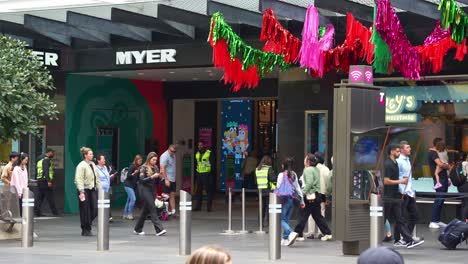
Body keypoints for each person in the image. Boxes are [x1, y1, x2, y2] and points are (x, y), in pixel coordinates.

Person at [384, 144, 424, 248]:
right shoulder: (388, 164)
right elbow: (386, 181)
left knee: (400, 219)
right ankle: (400, 239)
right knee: (384, 219)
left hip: (396, 195)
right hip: (389, 197)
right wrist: (401, 182)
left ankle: (407, 240)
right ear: (392, 152)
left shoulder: (395, 163)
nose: (399, 153)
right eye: (397, 151)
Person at [294, 153, 332, 242]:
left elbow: (309, 183)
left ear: (307, 161)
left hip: (310, 196)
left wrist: (301, 193)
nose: (304, 161)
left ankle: (298, 234)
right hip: (316, 195)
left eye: (305, 159)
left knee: (302, 215)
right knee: (317, 216)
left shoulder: (308, 170)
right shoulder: (316, 169)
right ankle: (327, 233)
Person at [133, 152, 166, 236]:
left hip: (152, 190)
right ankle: (159, 229)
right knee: (152, 207)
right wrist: (152, 177)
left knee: (145, 211)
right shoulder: (143, 168)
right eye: (153, 159)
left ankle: (137, 228)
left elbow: (157, 182)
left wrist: (160, 177)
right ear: (149, 159)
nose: (155, 161)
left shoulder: (156, 168)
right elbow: (141, 180)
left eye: (156, 160)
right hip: (144, 189)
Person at [275, 157, 304, 247]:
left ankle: (291, 233)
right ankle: (284, 238)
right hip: (292, 199)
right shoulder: (294, 174)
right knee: (286, 219)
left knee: (280, 219)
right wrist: (302, 200)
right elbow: (297, 188)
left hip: (284, 200)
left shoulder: (281, 175)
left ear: (283, 165)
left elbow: (279, 187)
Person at [74, 147, 101, 236]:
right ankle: (85, 229)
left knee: (95, 209)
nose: (92, 155)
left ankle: (87, 223)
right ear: (85, 155)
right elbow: (79, 179)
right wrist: (81, 191)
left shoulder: (93, 164)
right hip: (84, 190)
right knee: (85, 210)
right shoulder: (81, 165)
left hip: (92, 189)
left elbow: (97, 178)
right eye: (90, 154)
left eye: (92, 154)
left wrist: (100, 189)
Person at [396, 140, 419, 237]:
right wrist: (401, 191)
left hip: (409, 192)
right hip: (403, 192)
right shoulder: (398, 161)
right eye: (407, 147)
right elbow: (397, 177)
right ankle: (399, 238)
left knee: (415, 216)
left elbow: (408, 178)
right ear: (401, 150)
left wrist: (412, 190)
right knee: (400, 217)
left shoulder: (408, 160)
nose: (410, 149)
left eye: (409, 147)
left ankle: (407, 236)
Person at [428, 138, 451, 229]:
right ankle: (433, 221)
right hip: (439, 179)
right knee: (438, 199)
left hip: (444, 177)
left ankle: (437, 220)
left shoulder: (438, 152)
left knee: (441, 199)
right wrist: (448, 166)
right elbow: (440, 164)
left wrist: (446, 166)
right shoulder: (432, 153)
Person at [308, 151, 331, 239]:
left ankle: (311, 233)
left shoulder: (311, 168)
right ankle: (321, 232)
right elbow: (328, 183)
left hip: (312, 193)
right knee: (321, 212)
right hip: (322, 194)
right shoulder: (326, 169)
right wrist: (328, 195)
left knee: (311, 213)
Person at [34, 148, 59, 217]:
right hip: (45, 181)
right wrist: (48, 181)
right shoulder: (46, 160)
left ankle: (37, 212)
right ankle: (55, 212)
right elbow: (46, 170)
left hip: (40, 180)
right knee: (50, 197)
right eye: (52, 153)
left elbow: (37, 169)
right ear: (49, 152)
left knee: (40, 197)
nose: (53, 155)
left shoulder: (39, 158)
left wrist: (36, 178)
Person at [255, 155, 277, 226]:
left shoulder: (257, 169)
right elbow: (272, 178)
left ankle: (260, 223)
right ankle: (268, 222)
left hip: (260, 190)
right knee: (268, 207)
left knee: (262, 207)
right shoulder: (269, 169)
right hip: (268, 190)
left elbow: (255, 181)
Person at [194, 141, 215, 212]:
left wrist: (210, 173)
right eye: (198, 145)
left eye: (201, 145)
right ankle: (198, 206)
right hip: (199, 174)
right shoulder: (197, 153)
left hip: (206, 174)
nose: (199, 146)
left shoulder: (209, 152)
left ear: (204, 145)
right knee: (198, 191)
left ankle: (209, 207)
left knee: (208, 191)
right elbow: (197, 164)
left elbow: (212, 164)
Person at [95, 154, 115, 221]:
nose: (104, 160)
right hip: (100, 189)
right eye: (103, 159)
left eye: (104, 159)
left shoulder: (105, 168)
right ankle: (102, 217)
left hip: (107, 189)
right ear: (98, 160)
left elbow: (106, 177)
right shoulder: (96, 168)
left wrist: (110, 177)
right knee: (101, 204)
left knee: (107, 203)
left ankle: (106, 216)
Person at [123, 154, 142, 220]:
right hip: (128, 185)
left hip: (132, 185)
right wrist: (134, 173)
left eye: (141, 161)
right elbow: (128, 176)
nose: (140, 162)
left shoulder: (138, 167)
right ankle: (129, 214)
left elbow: (138, 177)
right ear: (136, 160)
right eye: (139, 161)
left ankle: (125, 214)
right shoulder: (132, 166)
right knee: (133, 199)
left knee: (129, 200)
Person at [160, 144, 177, 216]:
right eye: (172, 151)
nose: (173, 153)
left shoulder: (173, 156)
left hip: (172, 178)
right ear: (168, 149)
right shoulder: (164, 156)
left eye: (174, 151)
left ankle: (173, 211)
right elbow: (162, 168)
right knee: (166, 196)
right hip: (167, 178)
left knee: (172, 194)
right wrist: (166, 179)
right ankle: (164, 211)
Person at [458, 152, 468, 222]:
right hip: (466, 185)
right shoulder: (466, 164)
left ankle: (463, 220)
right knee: (466, 204)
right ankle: (464, 221)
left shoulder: (460, 163)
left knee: (464, 203)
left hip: (461, 185)